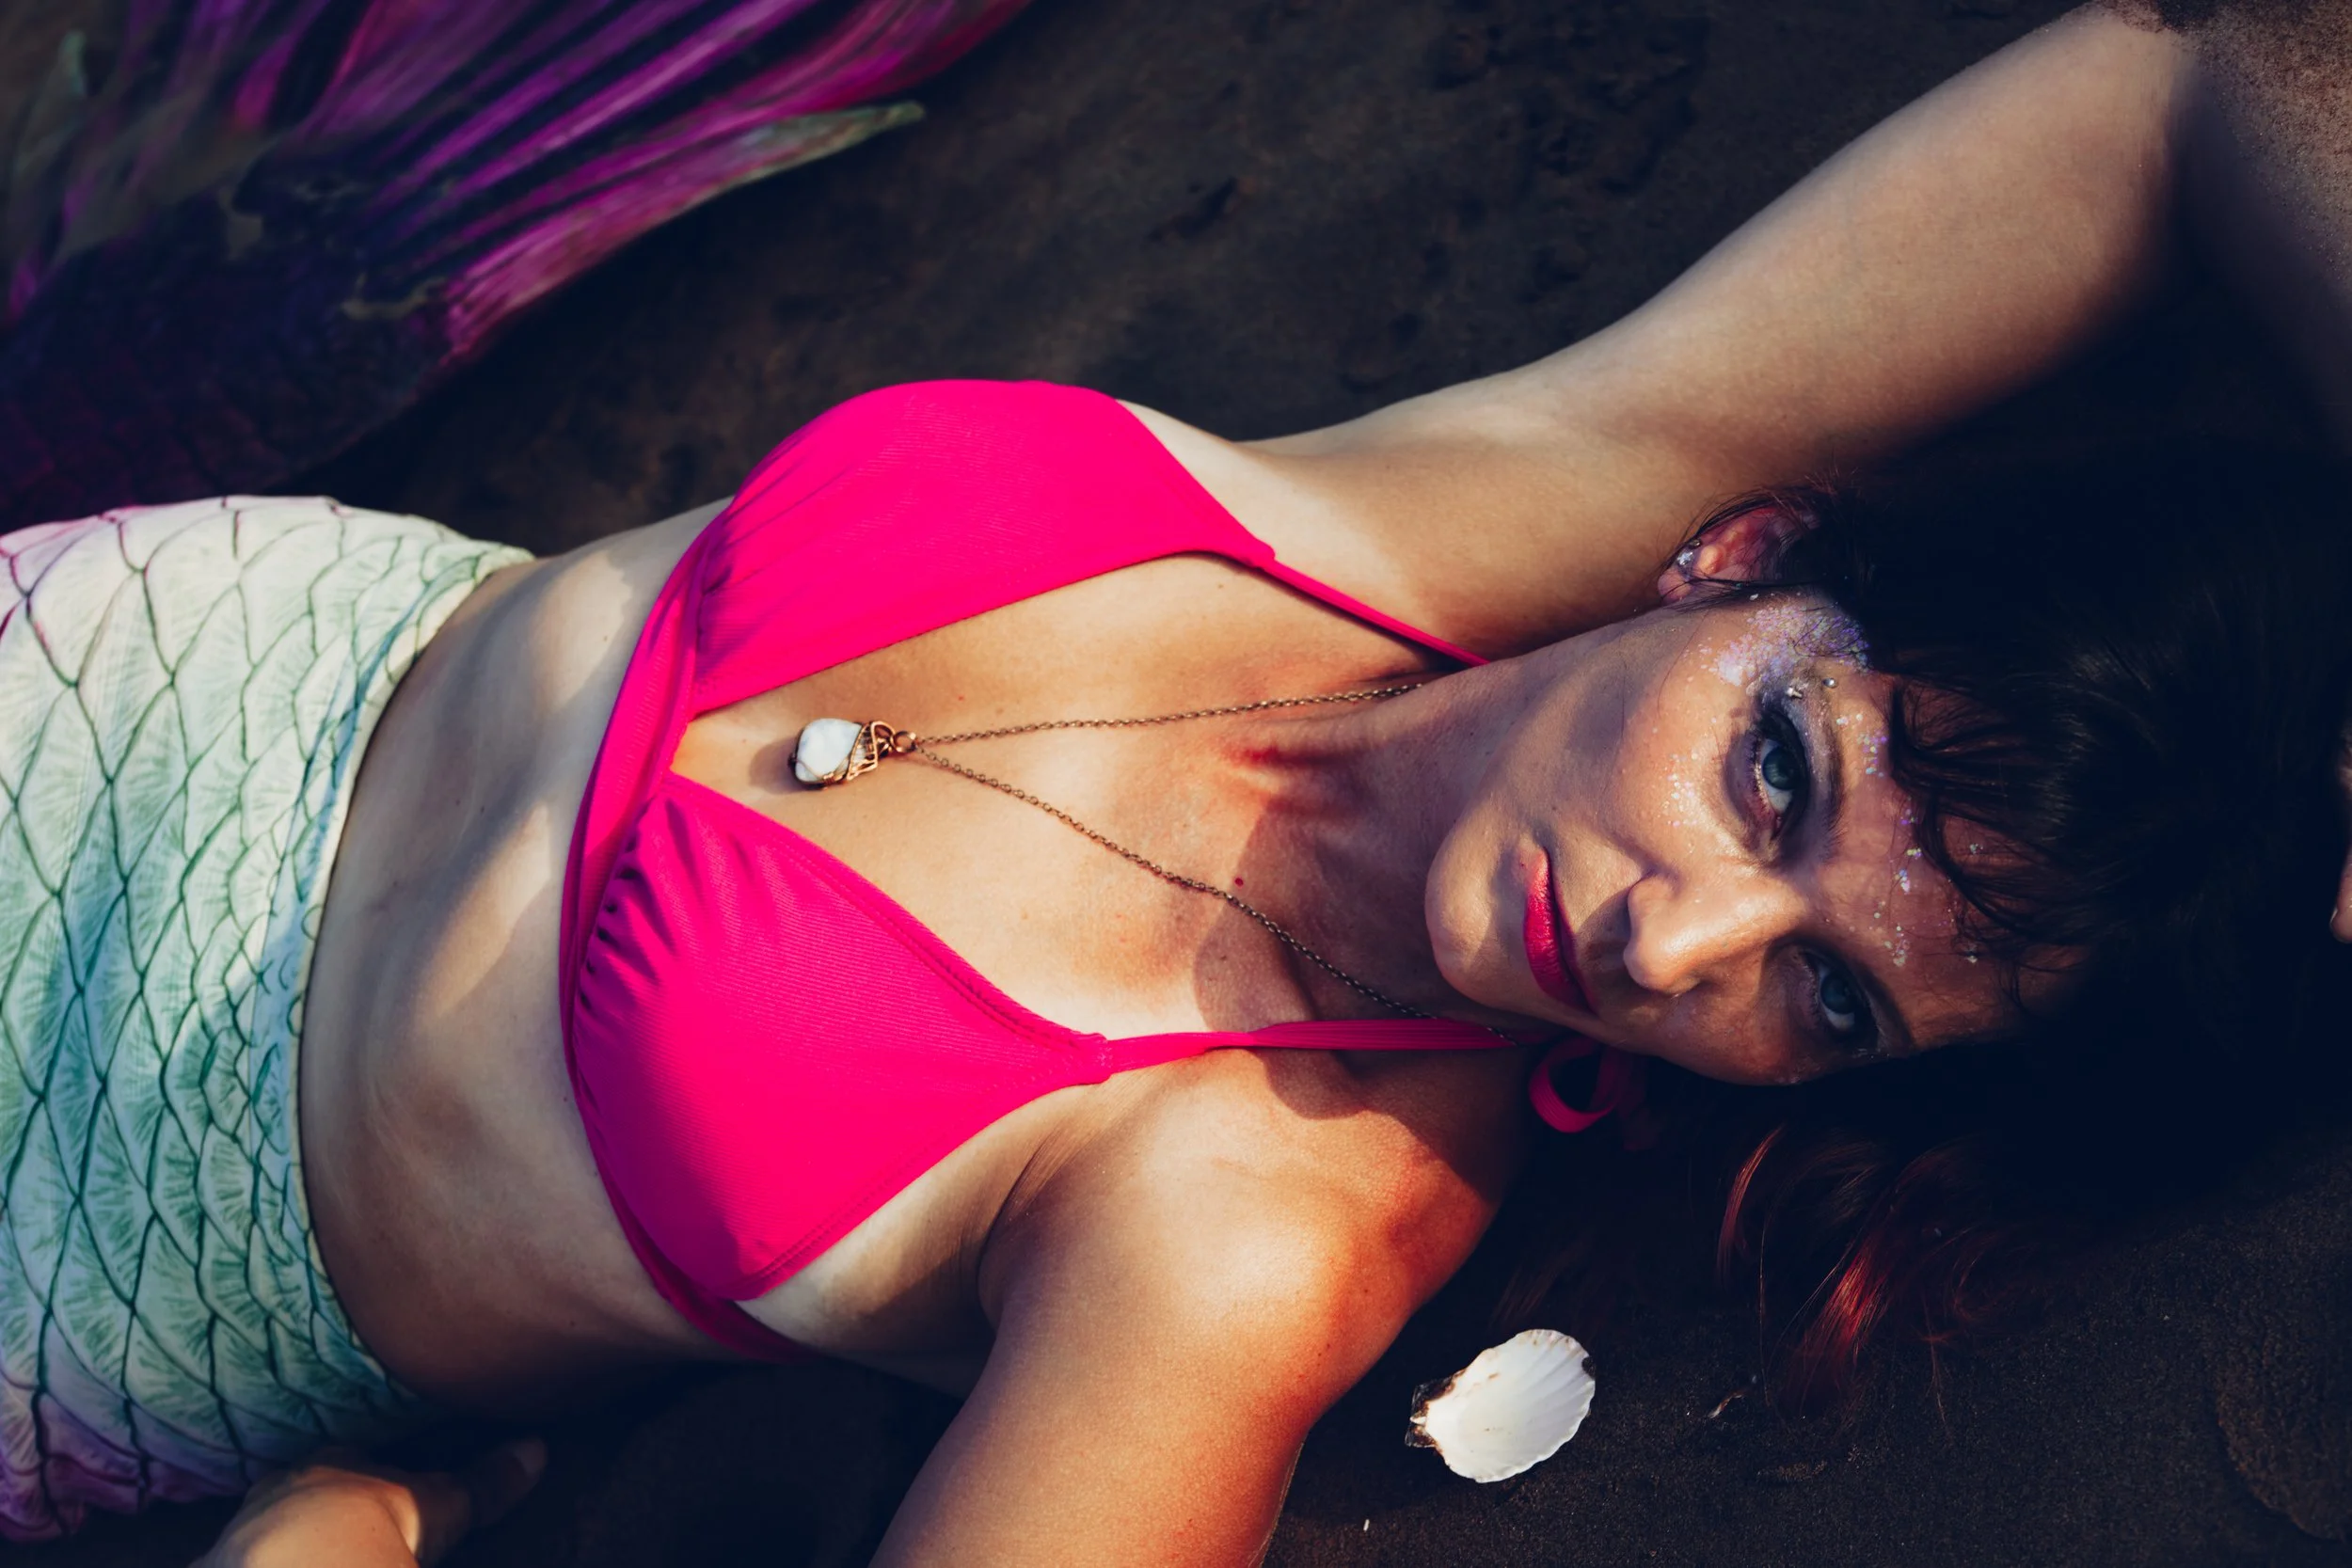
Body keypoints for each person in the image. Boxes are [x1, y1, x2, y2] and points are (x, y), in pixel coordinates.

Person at [0, 6, 2331, 1562]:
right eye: (1767, 768)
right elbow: (2195, 87)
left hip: (80, 1225)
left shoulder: (1253, 1215)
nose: (1676, 933)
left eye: (1819, 1000)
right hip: (157, 643)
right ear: (1747, 556)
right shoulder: (1456, 516)